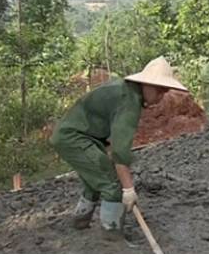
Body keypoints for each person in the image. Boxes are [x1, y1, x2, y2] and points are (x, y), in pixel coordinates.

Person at [49, 56, 189, 241]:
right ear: (145, 84)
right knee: (112, 185)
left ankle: (80, 221)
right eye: (159, 90)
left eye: (164, 92)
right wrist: (128, 189)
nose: (161, 97)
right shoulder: (129, 102)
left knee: (96, 179)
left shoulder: (126, 91)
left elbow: (104, 125)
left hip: (81, 135)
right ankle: (112, 237)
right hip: (74, 137)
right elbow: (121, 152)